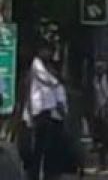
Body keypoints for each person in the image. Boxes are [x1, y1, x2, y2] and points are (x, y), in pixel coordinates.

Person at [23, 46, 68, 180]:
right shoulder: (37, 69)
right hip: (41, 113)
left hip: (50, 114)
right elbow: (46, 83)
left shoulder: (46, 71)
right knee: (39, 149)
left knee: (48, 148)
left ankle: (46, 174)